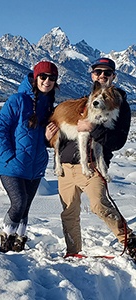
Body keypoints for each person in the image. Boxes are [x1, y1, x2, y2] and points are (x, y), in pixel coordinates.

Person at [57, 57, 136, 261]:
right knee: (69, 212)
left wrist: (94, 129)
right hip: (66, 166)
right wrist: (49, 137)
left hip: (93, 166)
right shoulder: (87, 100)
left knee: (99, 205)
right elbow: (66, 129)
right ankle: (73, 252)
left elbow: (117, 141)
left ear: (113, 76)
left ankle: (130, 242)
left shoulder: (121, 107)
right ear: (92, 75)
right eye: (98, 72)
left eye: (106, 73)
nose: (102, 76)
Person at [0, 61, 59, 253]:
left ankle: (19, 243)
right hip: (12, 165)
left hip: (35, 167)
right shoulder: (17, 100)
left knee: (25, 207)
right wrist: (8, 156)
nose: (47, 81)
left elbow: (43, 139)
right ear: (35, 77)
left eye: (52, 78)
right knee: (19, 203)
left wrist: (47, 139)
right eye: (43, 77)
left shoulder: (49, 107)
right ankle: (7, 239)